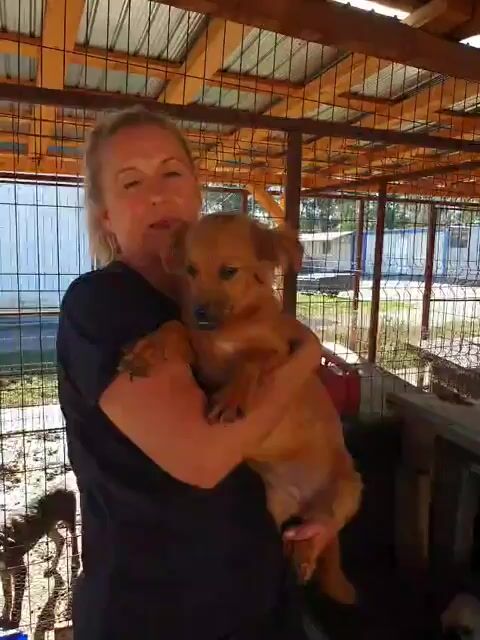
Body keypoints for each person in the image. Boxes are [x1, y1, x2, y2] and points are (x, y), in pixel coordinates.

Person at [56, 105, 332, 640]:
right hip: (154, 614)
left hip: (259, 599)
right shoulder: (102, 305)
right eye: (131, 182)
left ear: (196, 192)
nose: (158, 195)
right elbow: (204, 458)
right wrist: (304, 359)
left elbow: (278, 438)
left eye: (172, 173)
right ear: (106, 217)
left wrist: (314, 508)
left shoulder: (214, 302)